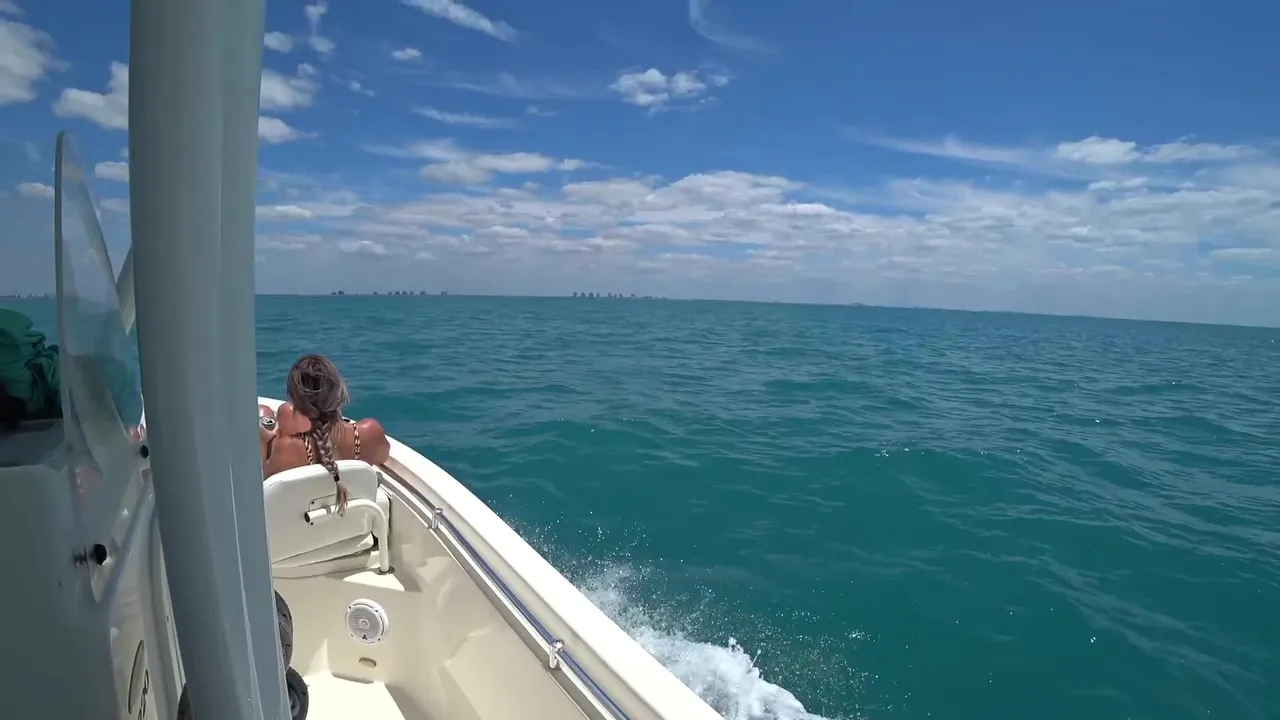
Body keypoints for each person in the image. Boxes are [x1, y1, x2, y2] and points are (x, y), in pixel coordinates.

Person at [260, 354, 389, 512]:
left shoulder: (287, 448)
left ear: (296, 402)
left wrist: (264, 443)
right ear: (339, 391)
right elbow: (382, 457)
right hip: (356, 523)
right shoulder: (371, 432)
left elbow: (265, 489)